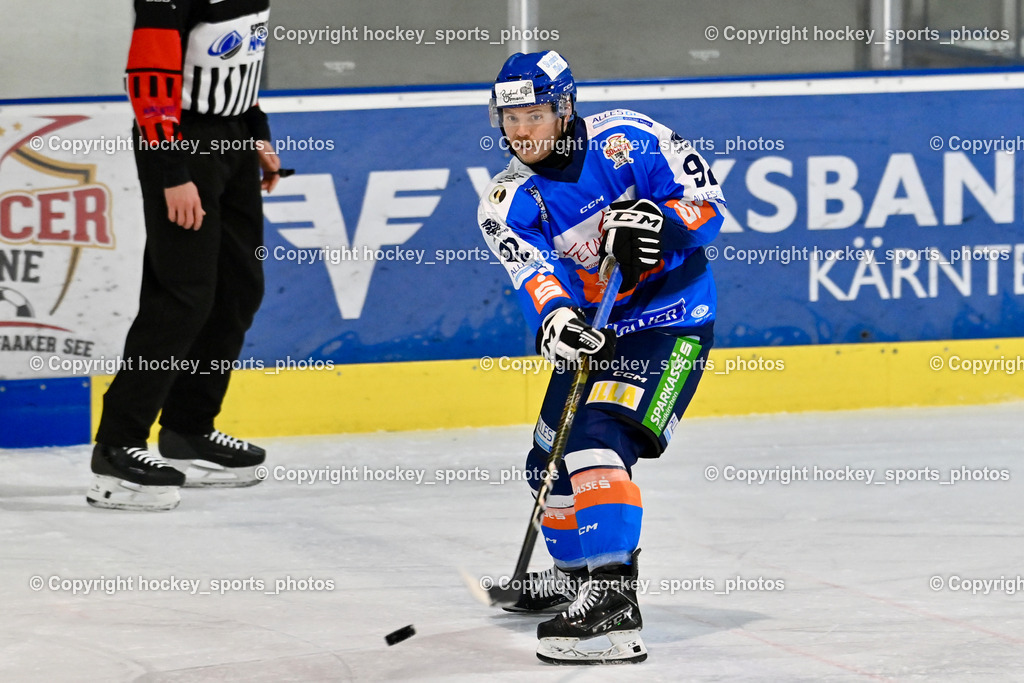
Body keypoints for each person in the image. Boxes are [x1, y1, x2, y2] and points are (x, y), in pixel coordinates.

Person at [477, 50, 725, 664]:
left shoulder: (631, 139)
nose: (519, 132)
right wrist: (559, 320)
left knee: (594, 437)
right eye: (508, 119)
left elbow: (708, 207)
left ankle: (615, 605)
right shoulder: (504, 201)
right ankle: (577, 577)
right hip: (595, 329)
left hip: (671, 321)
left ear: (564, 109)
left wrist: (657, 221)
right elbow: (535, 274)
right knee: (546, 460)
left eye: (533, 115)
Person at [87, 0, 280, 511]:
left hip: (233, 141)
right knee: (182, 296)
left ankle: (189, 431)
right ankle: (116, 446)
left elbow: (244, 64)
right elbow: (148, 83)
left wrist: (257, 134)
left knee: (239, 290)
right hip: (179, 143)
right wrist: (172, 173)